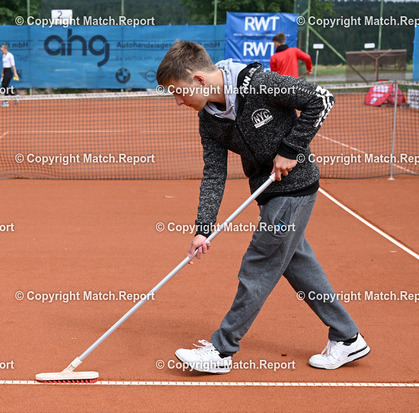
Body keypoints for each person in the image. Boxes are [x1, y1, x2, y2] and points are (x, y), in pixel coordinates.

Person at [156, 41, 369, 373]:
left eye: (178, 92)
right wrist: (203, 228)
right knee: (298, 265)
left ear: (198, 79)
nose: (178, 101)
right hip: (267, 193)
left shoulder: (259, 84)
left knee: (259, 264)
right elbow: (214, 173)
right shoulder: (208, 121)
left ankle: (222, 350)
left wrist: (291, 149)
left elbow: (321, 98)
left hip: (294, 188)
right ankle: (347, 337)